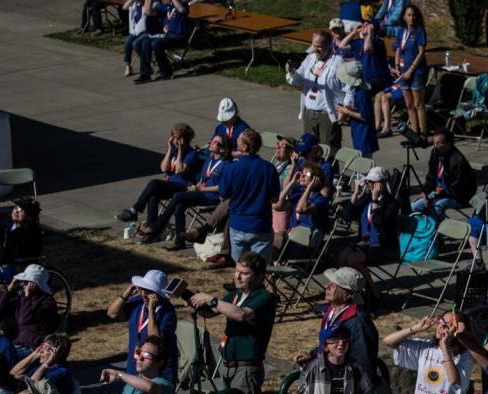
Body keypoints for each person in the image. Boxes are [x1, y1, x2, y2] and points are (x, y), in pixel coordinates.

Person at [188, 252, 279, 394]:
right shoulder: (236, 295)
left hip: (245, 369)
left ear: (259, 276)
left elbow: (240, 314)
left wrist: (211, 300)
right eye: (236, 271)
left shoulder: (264, 298)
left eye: (244, 273)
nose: (237, 276)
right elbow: (209, 312)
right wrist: (188, 295)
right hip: (228, 366)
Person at [140, 133, 231, 250]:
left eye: (216, 143)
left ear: (223, 149)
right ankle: (179, 241)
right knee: (180, 205)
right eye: (212, 141)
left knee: (178, 196)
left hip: (212, 196)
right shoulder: (209, 160)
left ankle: (158, 225)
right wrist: (195, 186)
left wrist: (201, 189)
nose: (212, 143)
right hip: (201, 191)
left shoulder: (227, 165)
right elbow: (203, 179)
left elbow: (222, 187)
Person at [340, 166, 401, 308]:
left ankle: (374, 294)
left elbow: (379, 222)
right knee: (342, 256)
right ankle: (354, 294)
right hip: (365, 244)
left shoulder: (392, 203)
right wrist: (355, 194)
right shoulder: (366, 198)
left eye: (372, 182)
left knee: (352, 259)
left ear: (381, 183)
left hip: (384, 247)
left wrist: (375, 201)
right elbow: (347, 216)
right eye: (368, 182)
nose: (369, 185)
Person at [218, 128, 282, 263]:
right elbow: (275, 198)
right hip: (260, 225)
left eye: (238, 139)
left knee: (241, 268)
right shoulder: (269, 168)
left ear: (245, 147)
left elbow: (223, 196)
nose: (235, 140)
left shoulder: (230, 168)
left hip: (237, 224)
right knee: (260, 269)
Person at [106, 269, 178, 383]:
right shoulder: (138, 302)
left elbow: (154, 339)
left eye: (148, 291)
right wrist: (126, 295)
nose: (143, 294)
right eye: (142, 289)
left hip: (157, 371)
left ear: (158, 294)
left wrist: (151, 310)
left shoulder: (168, 311)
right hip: (135, 365)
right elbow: (112, 313)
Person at [117, 122, 199, 222]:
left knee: (154, 183)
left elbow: (178, 170)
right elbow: (164, 168)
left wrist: (181, 151)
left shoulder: (191, 154)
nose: (175, 141)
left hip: (183, 186)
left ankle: (134, 211)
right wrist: (170, 149)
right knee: (153, 195)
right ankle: (152, 230)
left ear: (184, 139)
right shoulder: (174, 151)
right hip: (170, 185)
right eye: (173, 138)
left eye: (178, 138)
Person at [285, 30, 345, 150]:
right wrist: (291, 71)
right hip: (310, 114)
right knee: (309, 150)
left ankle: (329, 169)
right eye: (314, 45)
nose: (316, 49)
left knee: (328, 151)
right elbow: (298, 81)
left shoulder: (338, 62)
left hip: (327, 115)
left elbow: (347, 88)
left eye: (319, 46)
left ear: (328, 45)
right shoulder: (310, 59)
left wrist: (344, 109)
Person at [10, 331, 74, 394]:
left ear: (56, 353)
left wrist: (46, 364)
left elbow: (32, 386)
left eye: (47, 348)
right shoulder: (44, 367)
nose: (42, 350)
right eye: (43, 346)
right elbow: (14, 374)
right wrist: (34, 355)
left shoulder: (61, 372)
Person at [411, 128, 476, 219]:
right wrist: (426, 192)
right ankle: (424, 229)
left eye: (439, 143)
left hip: (457, 195)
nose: (436, 146)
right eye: (434, 143)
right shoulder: (435, 153)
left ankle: (437, 231)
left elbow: (455, 188)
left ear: (449, 144)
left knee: (437, 205)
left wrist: (433, 196)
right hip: (440, 191)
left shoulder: (457, 161)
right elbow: (431, 175)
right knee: (415, 205)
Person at [393, 4, 428, 139]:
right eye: (409, 15)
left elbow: (421, 52)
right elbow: (398, 50)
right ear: (404, 17)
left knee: (418, 104)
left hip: (416, 71)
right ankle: (415, 133)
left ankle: (424, 134)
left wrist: (411, 70)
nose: (411, 17)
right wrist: (396, 67)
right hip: (403, 72)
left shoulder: (419, 30)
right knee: (409, 104)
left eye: (413, 15)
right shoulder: (401, 31)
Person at [10, 264, 59, 354]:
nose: (22, 284)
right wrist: (9, 290)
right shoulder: (24, 296)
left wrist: (27, 296)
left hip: (33, 346)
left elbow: (24, 320)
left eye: (26, 282)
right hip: (19, 341)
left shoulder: (47, 302)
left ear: (35, 284)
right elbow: (0, 309)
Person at [133, 0, 187, 83]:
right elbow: (148, 12)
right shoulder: (166, 7)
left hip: (178, 36)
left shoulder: (183, 4)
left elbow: (181, 10)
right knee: (145, 42)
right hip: (166, 35)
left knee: (156, 44)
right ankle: (145, 73)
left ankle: (166, 72)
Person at [335, 60, 379, 159]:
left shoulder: (361, 94)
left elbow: (364, 117)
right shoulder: (358, 91)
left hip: (364, 134)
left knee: (363, 160)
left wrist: (346, 111)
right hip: (359, 133)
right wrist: (349, 108)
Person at [0, 197, 43, 268]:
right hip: (6, 261)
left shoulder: (30, 229)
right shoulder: (10, 224)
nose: (16, 211)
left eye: (20, 209)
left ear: (29, 215)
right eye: (15, 207)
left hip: (21, 266)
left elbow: (18, 251)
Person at [122, 0, 148, 77]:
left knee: (135, 43)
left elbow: (146, 12)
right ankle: (128, 65)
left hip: (146, 31)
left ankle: (146, 64)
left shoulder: (150, 3)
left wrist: (146, 2)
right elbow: (124, 7)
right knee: (127, 41)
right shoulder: (135, 4)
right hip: (135, 31)